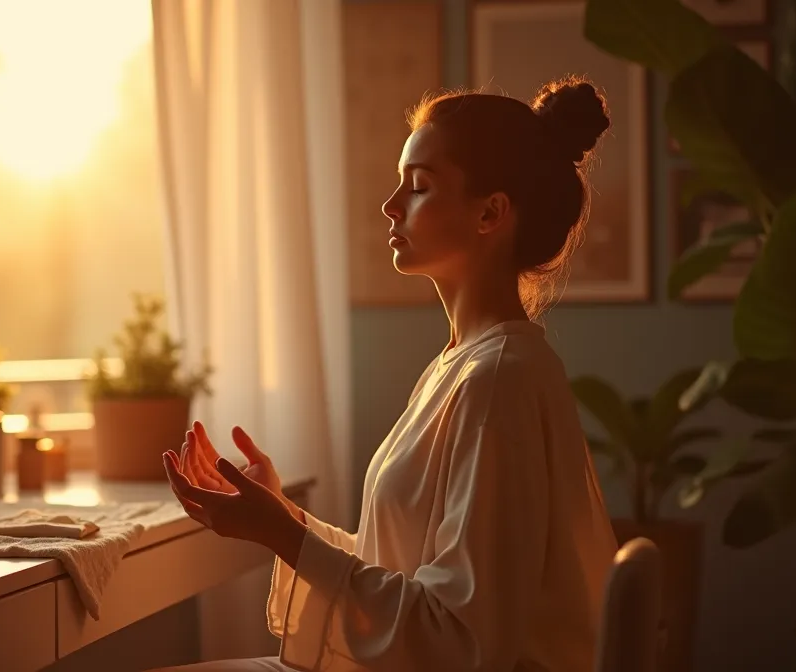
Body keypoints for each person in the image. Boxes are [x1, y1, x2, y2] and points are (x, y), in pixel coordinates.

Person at [156, 77, 619, 672]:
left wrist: (282, 536)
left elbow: (463, 641)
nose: (390, 205)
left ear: (490, 213)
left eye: (419, 186)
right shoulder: (463, 365)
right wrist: (282, 515)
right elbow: (408, 575)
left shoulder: (500, 379)